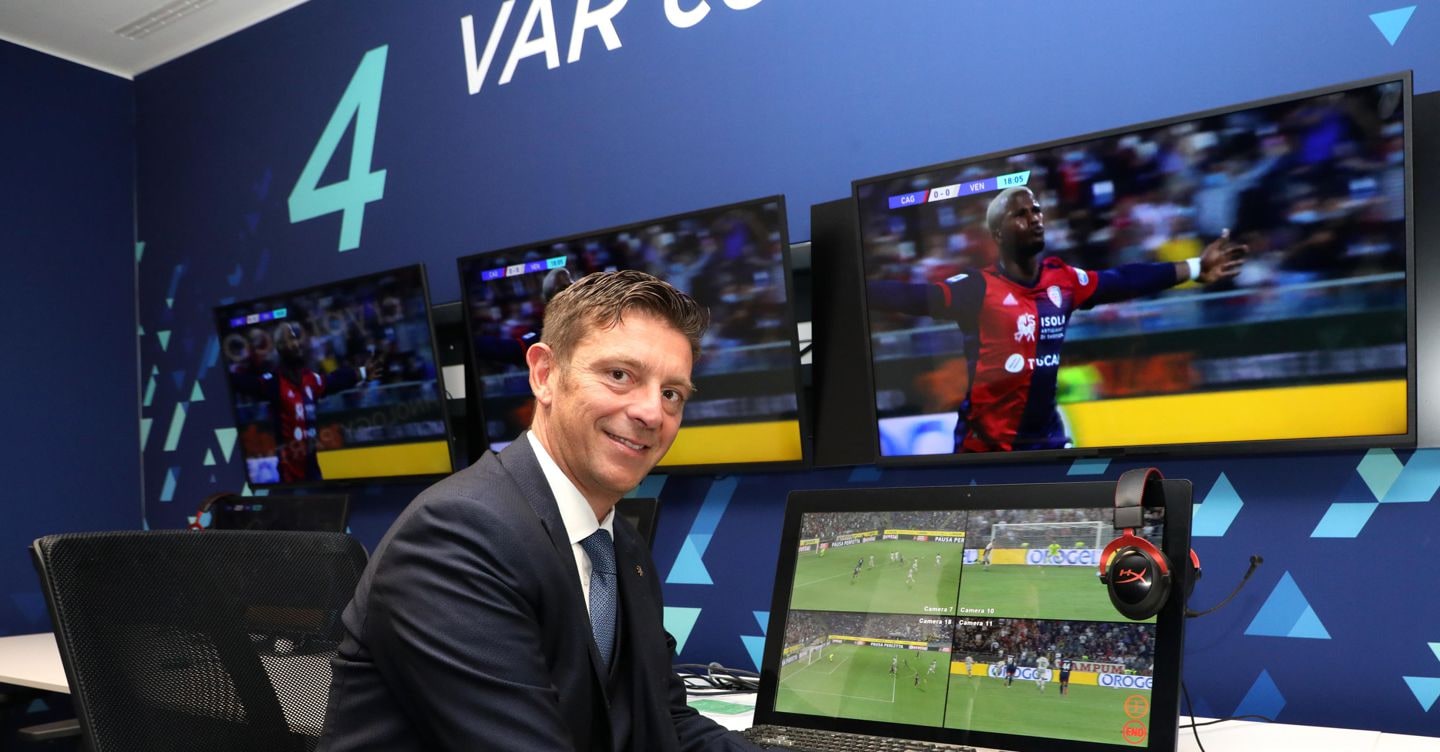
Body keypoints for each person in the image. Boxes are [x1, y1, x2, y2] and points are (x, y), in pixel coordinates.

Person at [317, 271, 760, 751]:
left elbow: (665, 720)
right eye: (619, 375)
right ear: (545, 375)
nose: (652, 413)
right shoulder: (456, 535)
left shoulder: (619, 547)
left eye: (672, 393)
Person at [867, 186, 1247, 452]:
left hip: (1047, 444)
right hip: (986, 451)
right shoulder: (977, 289)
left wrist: (1196, 267)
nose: (1034, 218)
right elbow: (912, 297)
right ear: (998, 234)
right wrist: (856, 288)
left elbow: (1123, 280)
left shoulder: (1062, 280)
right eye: (1020, 214)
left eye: (1036, 210)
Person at [226, 321, 380, 483]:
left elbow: (334, 380)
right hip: (290, 474)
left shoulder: (311, 379)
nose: (296, 344)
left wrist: (362, 373)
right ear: (280, 347)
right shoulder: (274, 383)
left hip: (313, 470)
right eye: (289, 340)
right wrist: (219, 374)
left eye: (296, 339)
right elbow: (244, 383)